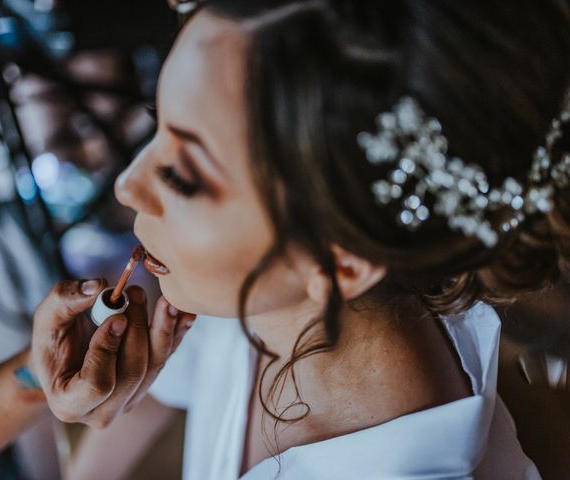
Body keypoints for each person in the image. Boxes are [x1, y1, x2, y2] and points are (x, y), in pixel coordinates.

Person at [56, 0, 570, 479]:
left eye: (182, 176)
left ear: (341, 263)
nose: (126, 185)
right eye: (158, 124)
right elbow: (169, 386)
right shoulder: (266, 294)